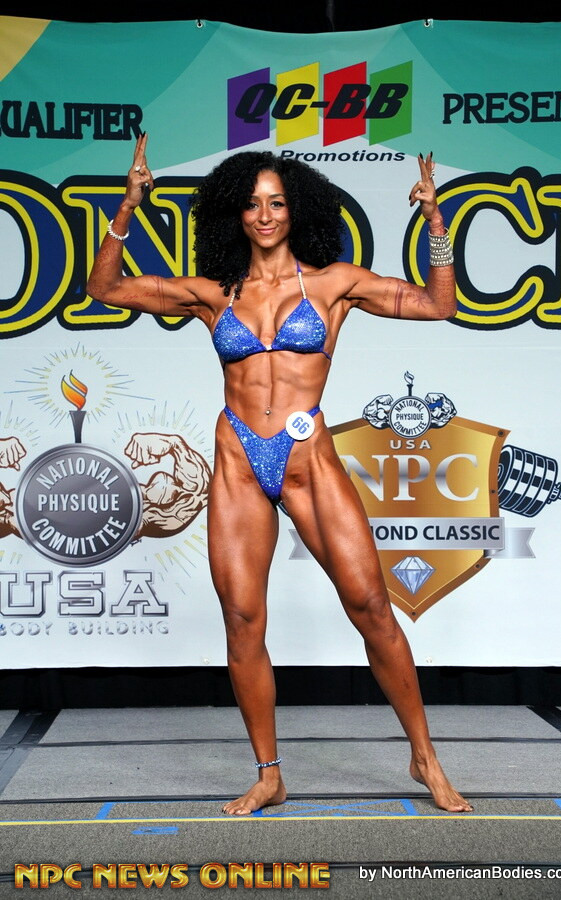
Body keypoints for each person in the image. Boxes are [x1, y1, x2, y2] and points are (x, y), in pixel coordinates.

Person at [87, 134, 472, 815]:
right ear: (234, 213)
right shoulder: (214, 294)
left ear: (297, 211)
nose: (265, 215)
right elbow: (105, 288)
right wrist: (128, 207)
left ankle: (424, 758)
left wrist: (435, 223)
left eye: (277, 203)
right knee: (242, 619)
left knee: (371, 607)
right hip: (238, 460)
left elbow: (441, 305)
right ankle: (269, 774)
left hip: (307, 461)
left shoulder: (333, 284)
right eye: (253, 204)